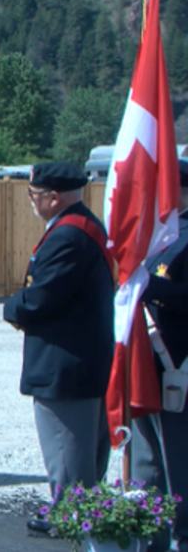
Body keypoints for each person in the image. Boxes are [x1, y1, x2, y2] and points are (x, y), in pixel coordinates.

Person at [3, 161, 114, 535]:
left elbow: (40, 298)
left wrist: (12, 308)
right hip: (81, 358)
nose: (31, 201)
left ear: (53, 198)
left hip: (64, 363)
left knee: (68, 448)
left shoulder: (68, 235)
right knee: (82, 450)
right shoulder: (84, 225)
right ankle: (79, 513)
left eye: (33, 194)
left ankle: (73, 519)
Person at [134, 159, 188, 552]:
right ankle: (151, 536)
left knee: (178, 462)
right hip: (148, 363)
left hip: (177, 363)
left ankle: (181, 537)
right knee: (147, 459)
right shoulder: (160, 235)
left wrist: (148, 285)